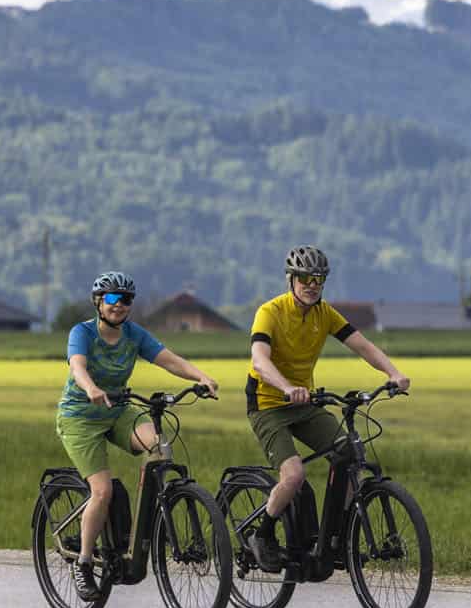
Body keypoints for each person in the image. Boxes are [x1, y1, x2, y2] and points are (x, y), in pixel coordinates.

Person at [242, 245, 409, 571]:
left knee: (350, 455)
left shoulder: (325, 314)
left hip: (305, 403)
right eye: (305, 278)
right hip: (268, 404)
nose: (312, 284)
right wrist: (286, 387)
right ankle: (262, 535)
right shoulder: (270, 312)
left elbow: (363, 346)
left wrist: (393, 373)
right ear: (291, 279)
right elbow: (259, 361)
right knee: (294, 475)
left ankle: (335, 540)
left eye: (318, 279)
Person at [58, 269, 220, 584]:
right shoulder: (82, 332)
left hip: (118, 411)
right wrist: (91, 388)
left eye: (126, 299)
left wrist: (201, 377)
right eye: (112, 298)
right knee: (102, 491)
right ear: (98, 301)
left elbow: (169, 359)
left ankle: (147, 523)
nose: (119, 304)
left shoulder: (134, 334)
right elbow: (77, 366)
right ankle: (85, 562)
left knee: (159, 448)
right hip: (80, 416)